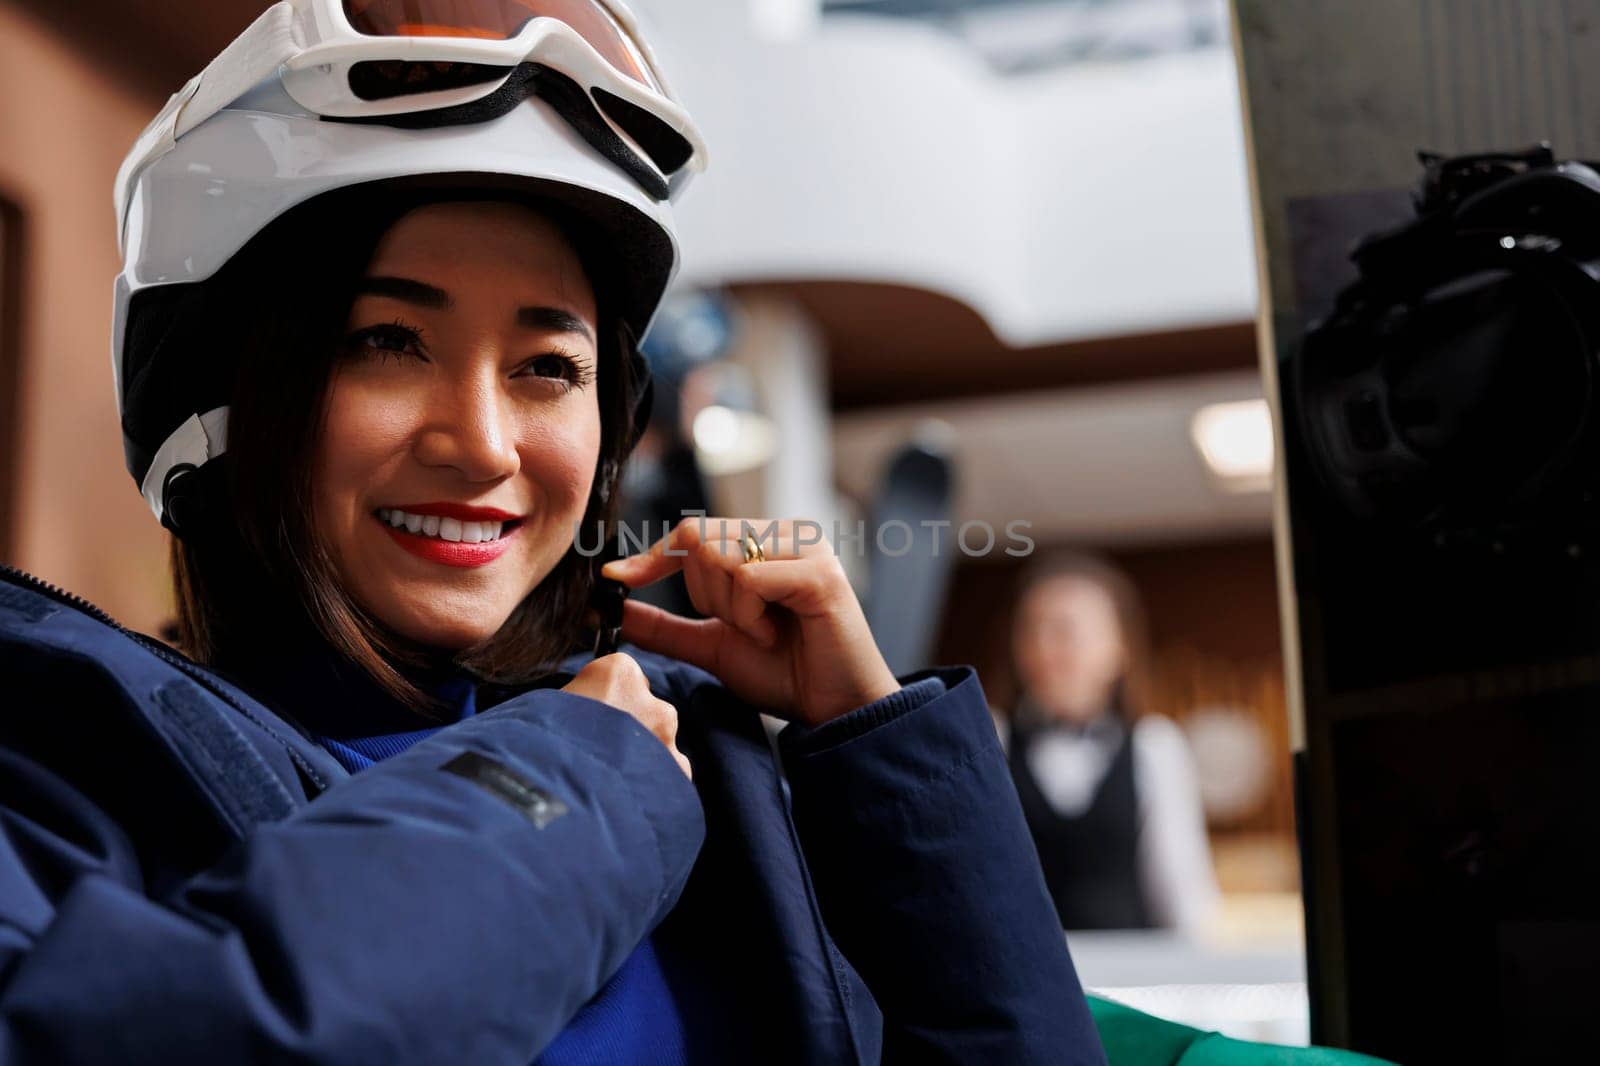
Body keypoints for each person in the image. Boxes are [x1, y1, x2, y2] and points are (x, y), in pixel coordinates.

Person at [0, 1, 1104, 1063]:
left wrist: (876, 751)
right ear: (220, 397)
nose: (484, 445)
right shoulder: (56, 757)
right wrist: (580, 784)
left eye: (547, 368)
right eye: (387, 340)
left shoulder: (691, 751)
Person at [999, 552, 1221, 933]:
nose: (1045, 648)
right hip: (1022, 978)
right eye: (1032, 630)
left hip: (1131, 977)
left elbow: (1184, 891)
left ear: (1119, 648)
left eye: (1065, 631)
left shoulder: (1156, 746)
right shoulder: (990, 739)